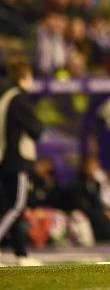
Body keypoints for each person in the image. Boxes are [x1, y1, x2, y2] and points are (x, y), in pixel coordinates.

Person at [0, 57, 44, 266]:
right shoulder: (20, 98)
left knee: (9, 208)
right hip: (16, 160)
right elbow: (36, 129)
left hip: (4, 158)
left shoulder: (6, 96)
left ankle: (21, 254)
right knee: (16, 207)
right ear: (25, 76)